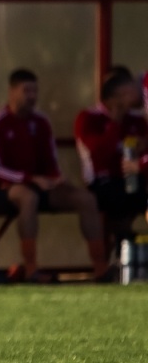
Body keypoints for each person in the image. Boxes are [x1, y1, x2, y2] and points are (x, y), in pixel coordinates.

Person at [0, 69, 109, 281]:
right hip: (4, 187)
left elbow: (50, 159)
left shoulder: (41, 121)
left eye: (35, 91)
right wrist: (30, 179)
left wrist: (56, 178)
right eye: (27, 91)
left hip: (41, 184)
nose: (32, 96)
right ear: (12, 91)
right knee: (28, 197)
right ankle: (32, 269)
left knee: (86, 199)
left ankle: (101, 269)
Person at [73, 66, 148, 249]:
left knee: (138, 192)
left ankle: (124, 240)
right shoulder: (89, 118)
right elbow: (98, 152)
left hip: (133, 177)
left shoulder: (137, 118)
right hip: (103, 181)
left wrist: (143, 149)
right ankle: (116, 246)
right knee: (117, 196)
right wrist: (114, 124)